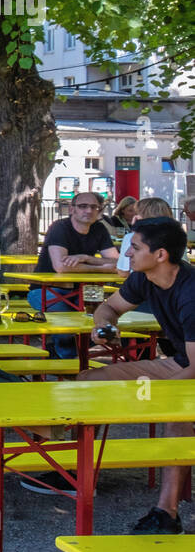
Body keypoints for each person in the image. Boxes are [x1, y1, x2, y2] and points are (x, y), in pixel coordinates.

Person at [79, 217, 195, 529]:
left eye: (135, 247)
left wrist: (150, 396)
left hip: (191, 368)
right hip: (182, 364)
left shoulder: (191, 293)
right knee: (87, 383)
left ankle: (166, 512)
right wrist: (104, 326)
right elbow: (109, 308)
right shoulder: (145, 279)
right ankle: (72, 469)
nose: (127, 253)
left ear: (161, 255)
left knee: (177, 416)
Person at [31, 190, 120, 358]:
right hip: (46, 291)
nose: (89, 211)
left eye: (94, 207)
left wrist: (86, 258)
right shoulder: (59, 227)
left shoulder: (99, 229)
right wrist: (102, 268)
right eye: (83, 206)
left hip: (84, 292)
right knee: (67, 328)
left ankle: (66, 358)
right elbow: (61, 267)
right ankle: (70, 364)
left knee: (104, 324)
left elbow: (118, 263)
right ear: (72, 209)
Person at [117, 197, 173, 275]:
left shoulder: (132, 237)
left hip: (142, 284)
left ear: (140, 216)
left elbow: (123, 272)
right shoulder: (176, 236)